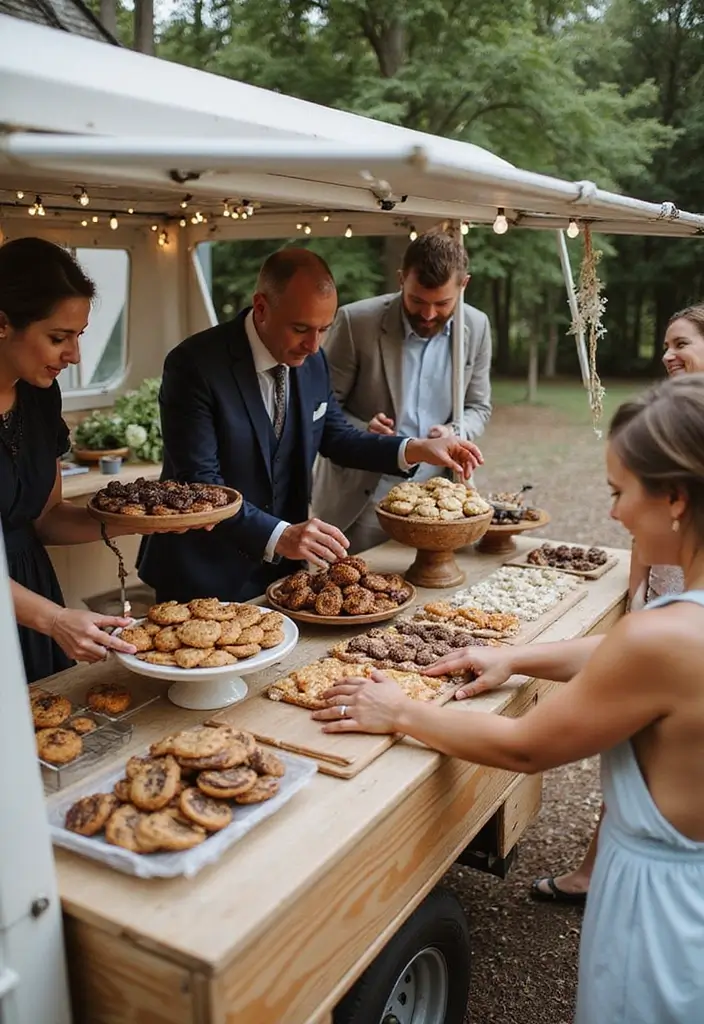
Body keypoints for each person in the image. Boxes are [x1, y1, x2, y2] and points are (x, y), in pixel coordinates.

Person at [314, 374, 704, 1024]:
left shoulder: (659, 639)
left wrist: (401, 711)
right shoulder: (673, 628)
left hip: (660, 915)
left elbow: (527, 747)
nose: (611, 514)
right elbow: (629, 661)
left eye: (618, 492)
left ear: (673, 498)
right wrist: (512, 656)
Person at [138, 248, 483, 602]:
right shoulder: (193, 365)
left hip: (282, 573)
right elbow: (201, 485)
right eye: (301, 328)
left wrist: (414, 448)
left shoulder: (313, 359)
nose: (313, 344)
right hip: (201, 572)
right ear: (261, 308)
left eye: (324, 329)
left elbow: (336, 436)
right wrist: (281, 536)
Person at [526, 304, 704, 903]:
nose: (668, 354)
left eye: (681, 342)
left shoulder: (671, 635)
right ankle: (593, 866)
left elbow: (527, 748)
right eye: (665, 345)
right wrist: (637, 598)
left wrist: (402, 711)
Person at [0, 238, 195, 683]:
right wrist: (52, 619)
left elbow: (47, 519)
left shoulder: (41, 398)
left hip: (33, 596)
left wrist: (146, 522)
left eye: (79, 336)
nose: (74, 355)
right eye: (57, 338)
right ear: (2, 324)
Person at [311, 227, 492, 554]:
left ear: (464, 285)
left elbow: (479, 407)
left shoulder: (477, 327)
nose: (428, 314)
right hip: (363, 498)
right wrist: (366, 431)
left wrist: (454, 430)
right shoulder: (355, 322)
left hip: (441, 501)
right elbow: (322, 409)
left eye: (442, 303)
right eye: (417, 300)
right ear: (400, 279)